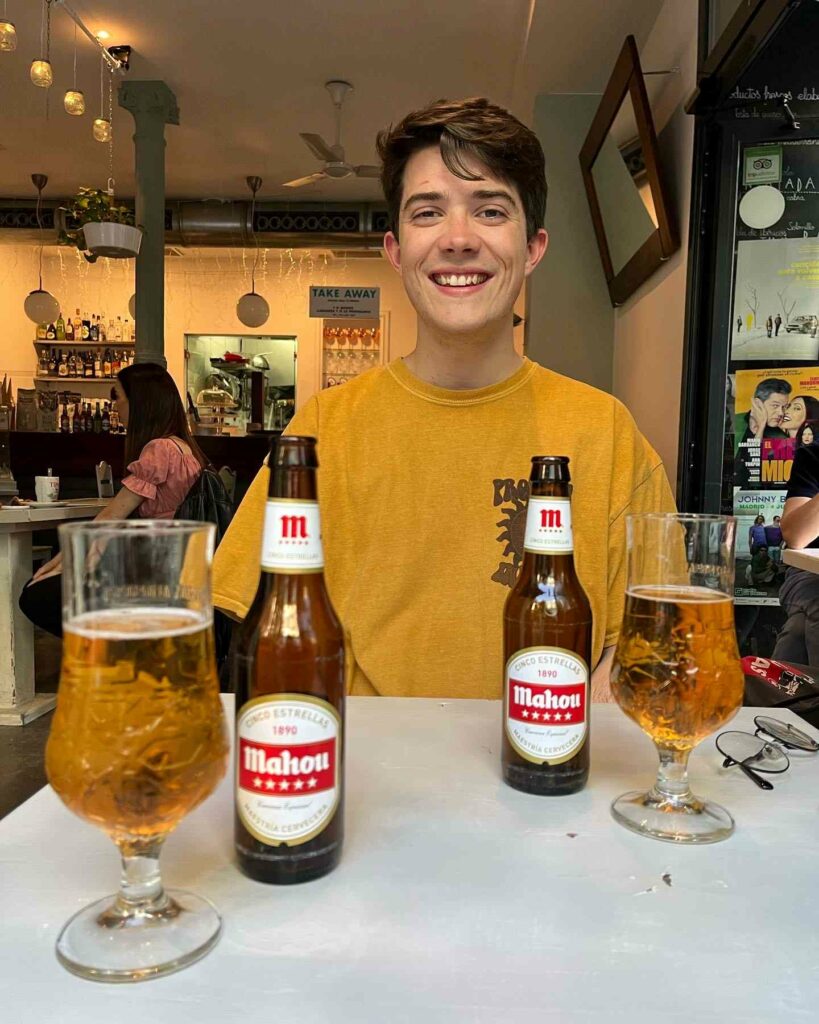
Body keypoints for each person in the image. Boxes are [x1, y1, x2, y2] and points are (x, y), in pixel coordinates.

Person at [212, 96, 676, 702]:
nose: (458, 239)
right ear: (396, 250)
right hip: (368, 775)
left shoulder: (603, 430)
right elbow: (259, 629)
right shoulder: (326, 425)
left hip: (544, 777)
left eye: (489, 210)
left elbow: (646, 646)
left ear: (533, 248)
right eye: (428, 212)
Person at [19, 363, 209, 638]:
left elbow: (111, 517)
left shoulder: (159, 449)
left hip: (153, 577)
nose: (114, 406)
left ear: (140, 403)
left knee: (35, 595)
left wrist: (64, 559)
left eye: (116, 396)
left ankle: (120, 653)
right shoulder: (185, 449)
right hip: (176, 572)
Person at [773, 442, 819, 666]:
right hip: (810, 575)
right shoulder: (813, 455)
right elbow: (796, 536)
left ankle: (779, 697)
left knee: (797, 632)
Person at [733, 377, 791, 456]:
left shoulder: (782, 440)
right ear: (758, 403)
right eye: (775, 405)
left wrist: (761, 428)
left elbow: (753, 466)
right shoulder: (735, 420)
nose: (781, 413)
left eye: (784, 407)